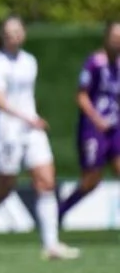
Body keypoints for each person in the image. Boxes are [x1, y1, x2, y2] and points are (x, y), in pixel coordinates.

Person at [0, 15, 79, 262]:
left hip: (31, 130)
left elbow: (26, 97)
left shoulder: (29, 61)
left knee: (46, 182)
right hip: (5, 133)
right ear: (2, 36)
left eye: (18, 31)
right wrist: (26, 118)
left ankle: (51, 245)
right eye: (9, 32)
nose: (14, 36)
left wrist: (32, 120)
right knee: (2, 190)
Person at [58, 22, 120, 224]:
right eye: (115, 37)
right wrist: (97, 119)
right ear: (106, 38)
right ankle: (59, 212)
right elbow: (81, 96)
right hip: (94, 129)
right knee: (91, 179)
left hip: (115, 127)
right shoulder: (94, 62)